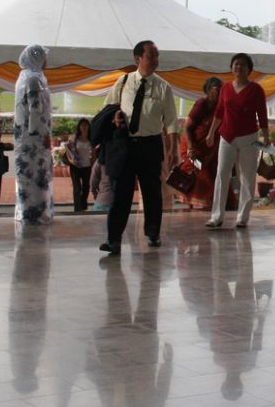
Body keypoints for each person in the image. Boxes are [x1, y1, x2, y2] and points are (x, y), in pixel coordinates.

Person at [101, 40, 178, 254]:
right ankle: (113, 239)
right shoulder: (124, 81)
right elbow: (108, 108)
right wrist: (115, 117)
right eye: (151, 55)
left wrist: (172, 149)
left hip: (150, 145)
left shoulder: (163, 87)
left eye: (157, 55)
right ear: (138, 59)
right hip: (125, 145)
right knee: (121, 194)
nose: (155, 60)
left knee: (152, 192)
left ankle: (153, 233)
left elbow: (171, 121)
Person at [207, 53, 270, 229]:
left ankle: (242, 217)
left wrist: (266, 136)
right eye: (236, 64)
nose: (239, 67)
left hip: (249, 138)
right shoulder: (226, 88)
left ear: (249, 69)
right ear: (231, 67)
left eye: (243, 65)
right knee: (221, 174)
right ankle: (216, 217)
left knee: (247, 176)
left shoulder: (256, 89)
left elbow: (262, 114)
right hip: (226, 137)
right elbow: (219, 112)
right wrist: (211, 133)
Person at [12, 44, 54, 224]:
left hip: (26, 138)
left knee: (28, 177)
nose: (46, 61)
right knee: (35, 176)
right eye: (44, 57)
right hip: (33, 140)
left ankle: (29, 211)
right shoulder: (33, 80)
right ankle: (34, 213)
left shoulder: (27, 77)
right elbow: (35, 110)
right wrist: (41, 134)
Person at [181, 77, 224, 211]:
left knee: (213, 175)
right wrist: (191, 148)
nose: (219, 92)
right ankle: (192, 203)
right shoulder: (201, 104)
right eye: (216, 89)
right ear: (209, 90)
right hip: (194, 145)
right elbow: (187, 127)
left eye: (221, 89)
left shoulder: (221, 106)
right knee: (195, 175)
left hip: (211, 148)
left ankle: (211, 204)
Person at [68, 118, 94, 211]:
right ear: (79, 127)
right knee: (77, 188)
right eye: (82, 125)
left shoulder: (91, 139)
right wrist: (72, 161)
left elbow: (94, 154)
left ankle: (83, 205)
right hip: (75, 166)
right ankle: (78, 209)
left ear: (88, 127)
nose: (84, 127)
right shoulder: (74, 138)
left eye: (86, 125)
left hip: (87, 166)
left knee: (86, 187)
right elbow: (69, 152)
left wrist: (93, 165)